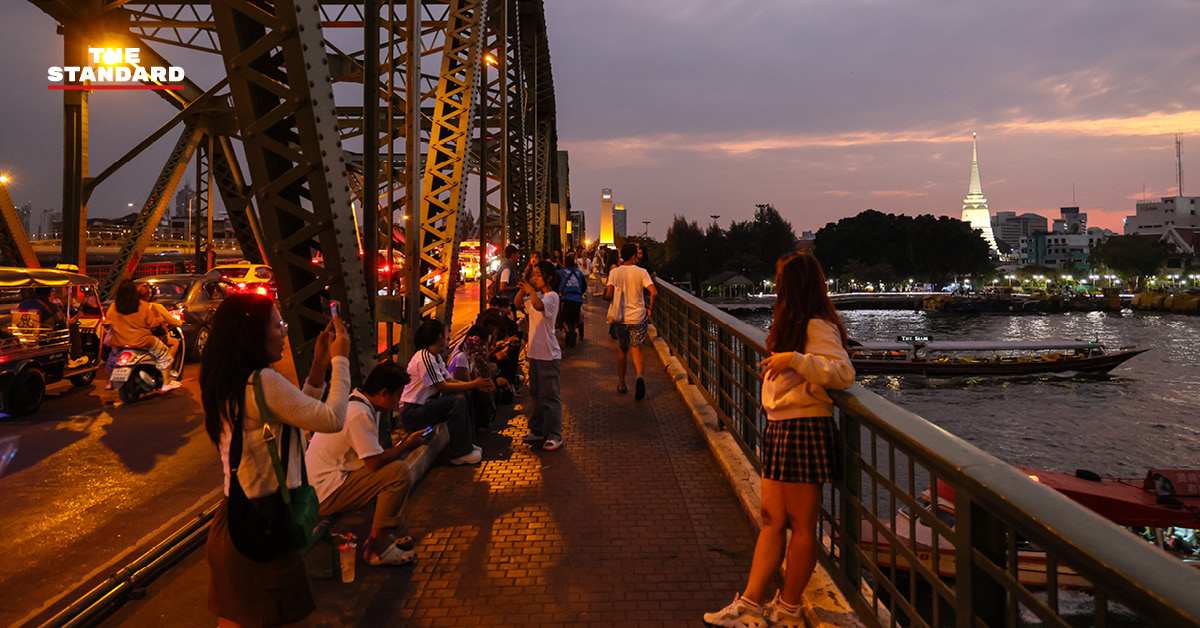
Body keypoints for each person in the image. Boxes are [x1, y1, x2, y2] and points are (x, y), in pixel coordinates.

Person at [703, 252, 855, 628]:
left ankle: (787, 608)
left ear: (794, 286)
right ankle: (752, 603)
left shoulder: (817, 325)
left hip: (803, 426)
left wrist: (794, 360)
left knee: (801, 524)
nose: (776, 288)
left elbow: (842, 373)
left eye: (780, 281)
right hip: (783, 426)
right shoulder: (795, 322)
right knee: (771, 517)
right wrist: (791, 358)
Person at [201, 293, 352, 628]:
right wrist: (341, 361)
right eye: (277, 324)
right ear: (253, 333)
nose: (284, 332)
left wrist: (318, 366)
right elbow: (331, 419)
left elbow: (297, 417)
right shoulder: (263, 381)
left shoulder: (228, 380)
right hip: (263, 523)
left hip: (233, 522)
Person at [306, 361, 429, 567]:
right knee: (397, 472)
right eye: (398, 395)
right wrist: (407, 445)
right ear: (383, 393)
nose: (399, 400)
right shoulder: (358, 413)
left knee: (392, 469)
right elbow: (374, 463)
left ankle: (381, 536)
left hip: (327, 484)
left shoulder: (360, 403)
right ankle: (377, 549)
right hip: (325, 492)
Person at [398, 319, 494, 465]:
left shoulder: (435, 357)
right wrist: (473, 383)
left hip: (425, 407)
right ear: (439, 336)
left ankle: (467, 443)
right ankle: (459, 453)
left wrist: (473, 386)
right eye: (444, 333)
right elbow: (443, 387)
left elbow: (449, 381)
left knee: (466, 395)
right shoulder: (424, 358)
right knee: (458, 400)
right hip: (413, 411)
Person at [515, 261, 563, 451]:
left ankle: (554, 434)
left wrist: (531, 290)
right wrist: (524, 284)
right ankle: (538, 429)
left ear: (548, 278)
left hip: (549, 354)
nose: (535, 278)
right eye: (534, 274)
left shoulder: (551, 297)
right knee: (536, 393)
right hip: (534, 352)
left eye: (538, 275)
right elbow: (518, 303)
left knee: (550, 395)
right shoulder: (539, 295)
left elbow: (538, 305)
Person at [604, 243, 657, 400]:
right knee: (636, 349)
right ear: (634, 256)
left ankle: (621, 383)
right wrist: (650, 309)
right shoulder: (641, 272)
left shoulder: (615, 272)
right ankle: (639, 376)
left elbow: (609, 293)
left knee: (622, 349)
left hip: (621, 318)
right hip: (638, 317)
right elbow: (654, 292)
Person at [106, 279, 179, 389]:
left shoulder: (113, 307)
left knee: (112, 360)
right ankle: (166, 383)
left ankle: (109, 383)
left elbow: (108, 321)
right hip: (142, 341)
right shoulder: (143, 306)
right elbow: (152, 323)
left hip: (119, 342)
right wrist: (159, 322)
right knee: (164, 355)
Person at [450, 325, 509, 429]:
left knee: (491, 390)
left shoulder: (469, 356)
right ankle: (478, 425)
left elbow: (475, 377)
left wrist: (490, 383)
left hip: (466, 388)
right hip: (458, 391)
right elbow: (469, 384)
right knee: (481, 394)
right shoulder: (461, 358)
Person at [138, 283, 185, 367]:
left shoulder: (132, 307)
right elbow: (171, 320)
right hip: (151, 338)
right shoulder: (155, 307)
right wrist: (180, 322)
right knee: (175, 342)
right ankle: (165, 365)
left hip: (135, 338)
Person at [556, 253, 587, 347]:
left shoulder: (560, 272)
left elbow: (555, 284)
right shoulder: (579, 272)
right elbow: (584, 286)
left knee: (564, 319)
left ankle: (571, 333)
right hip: (577, 299)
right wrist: (579, 294)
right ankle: (570, 338)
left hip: (567, 298)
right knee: (573, 320)